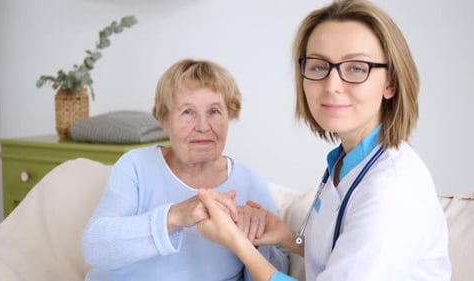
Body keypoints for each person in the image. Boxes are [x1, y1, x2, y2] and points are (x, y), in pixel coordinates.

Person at [196, 0, 451, 280]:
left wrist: (238, 244)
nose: (332, 86)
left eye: (356, 68)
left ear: (390, 83)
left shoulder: (391, 191)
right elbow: (344, 250)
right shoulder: (346, 160)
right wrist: (286, 237)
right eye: (319, 67)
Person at [82, 58, 289, 280]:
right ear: (164, 119)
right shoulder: (135, 166)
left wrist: (254, 242)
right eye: (188, 112)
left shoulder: (251, 184)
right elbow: (95, 246)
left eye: (214, 111)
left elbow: (278, 271)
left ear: (230, 116)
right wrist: (175, 216)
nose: (202, 126)